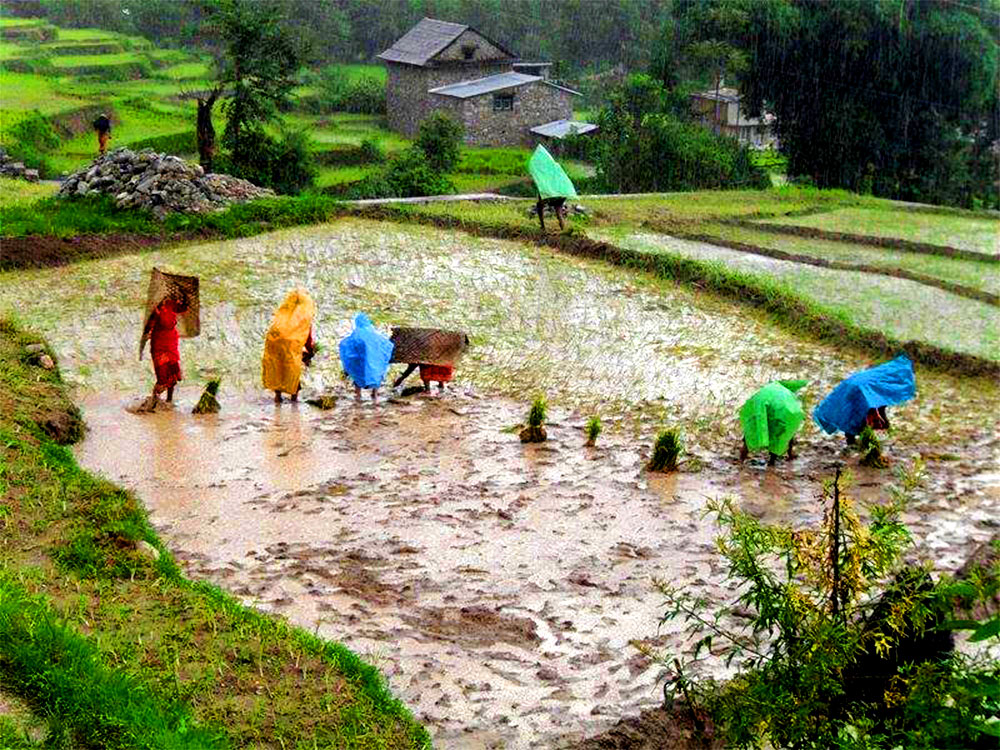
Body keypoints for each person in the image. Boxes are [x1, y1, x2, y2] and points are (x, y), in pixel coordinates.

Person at [813, 355, 915, 447]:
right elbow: (880, 408)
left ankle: (854, 439)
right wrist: (884, 425)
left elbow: (880, 408)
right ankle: (862, 440)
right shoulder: (886, 384)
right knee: (858, 414)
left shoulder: (885, 374)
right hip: (860, 389)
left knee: (852, 413)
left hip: (853, 385)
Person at [262, 288, 317, 404]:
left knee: (278, 367)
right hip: (291, 345)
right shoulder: (303, 319)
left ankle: (278, 397)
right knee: (292, 370)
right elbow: (307, 339)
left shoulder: (282, 314)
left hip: (274, 343)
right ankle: (294, 400)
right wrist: (311, 351)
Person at [739, 380, 807, 466]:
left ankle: (741, 459)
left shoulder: (766, 391)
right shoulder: (788, 396)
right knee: (780, 435)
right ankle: (773, 461)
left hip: (768, 406)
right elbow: (789, 430)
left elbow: (751, 418)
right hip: (785, 412)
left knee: (751, 431)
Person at [143, 292, 188, 404]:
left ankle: (169, 401)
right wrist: (147, 333)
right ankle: (153, 402)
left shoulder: (171, 305)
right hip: (159, 346)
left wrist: (186, 296)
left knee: (173, 376)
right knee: (162, 378)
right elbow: (148, 326)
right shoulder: (156, 312)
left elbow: (183, 307)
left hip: (171, 345)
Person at [339, 313, 394, 403]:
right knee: (377, 374)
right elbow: (387, 345)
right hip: (374, 361)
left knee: (357, 375)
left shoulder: (356, 334)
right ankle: (375, 394)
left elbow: (346, 345)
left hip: (359, 361)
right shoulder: (375, 335)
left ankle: (358, 395)